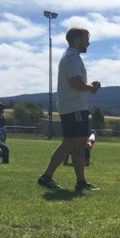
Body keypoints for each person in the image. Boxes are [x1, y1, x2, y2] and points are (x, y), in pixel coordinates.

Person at [37, 27, 101, 191]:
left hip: (70, 106)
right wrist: (91, 88)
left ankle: (48, 177)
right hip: (75, 107)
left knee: (69, 144)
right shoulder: (73, 58)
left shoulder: (69, 56)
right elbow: (76, 83)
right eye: (86, 39)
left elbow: (76, 82)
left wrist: (89, 86)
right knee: (78, 145)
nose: (88, 43)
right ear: (77, 40)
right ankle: (79, 182)